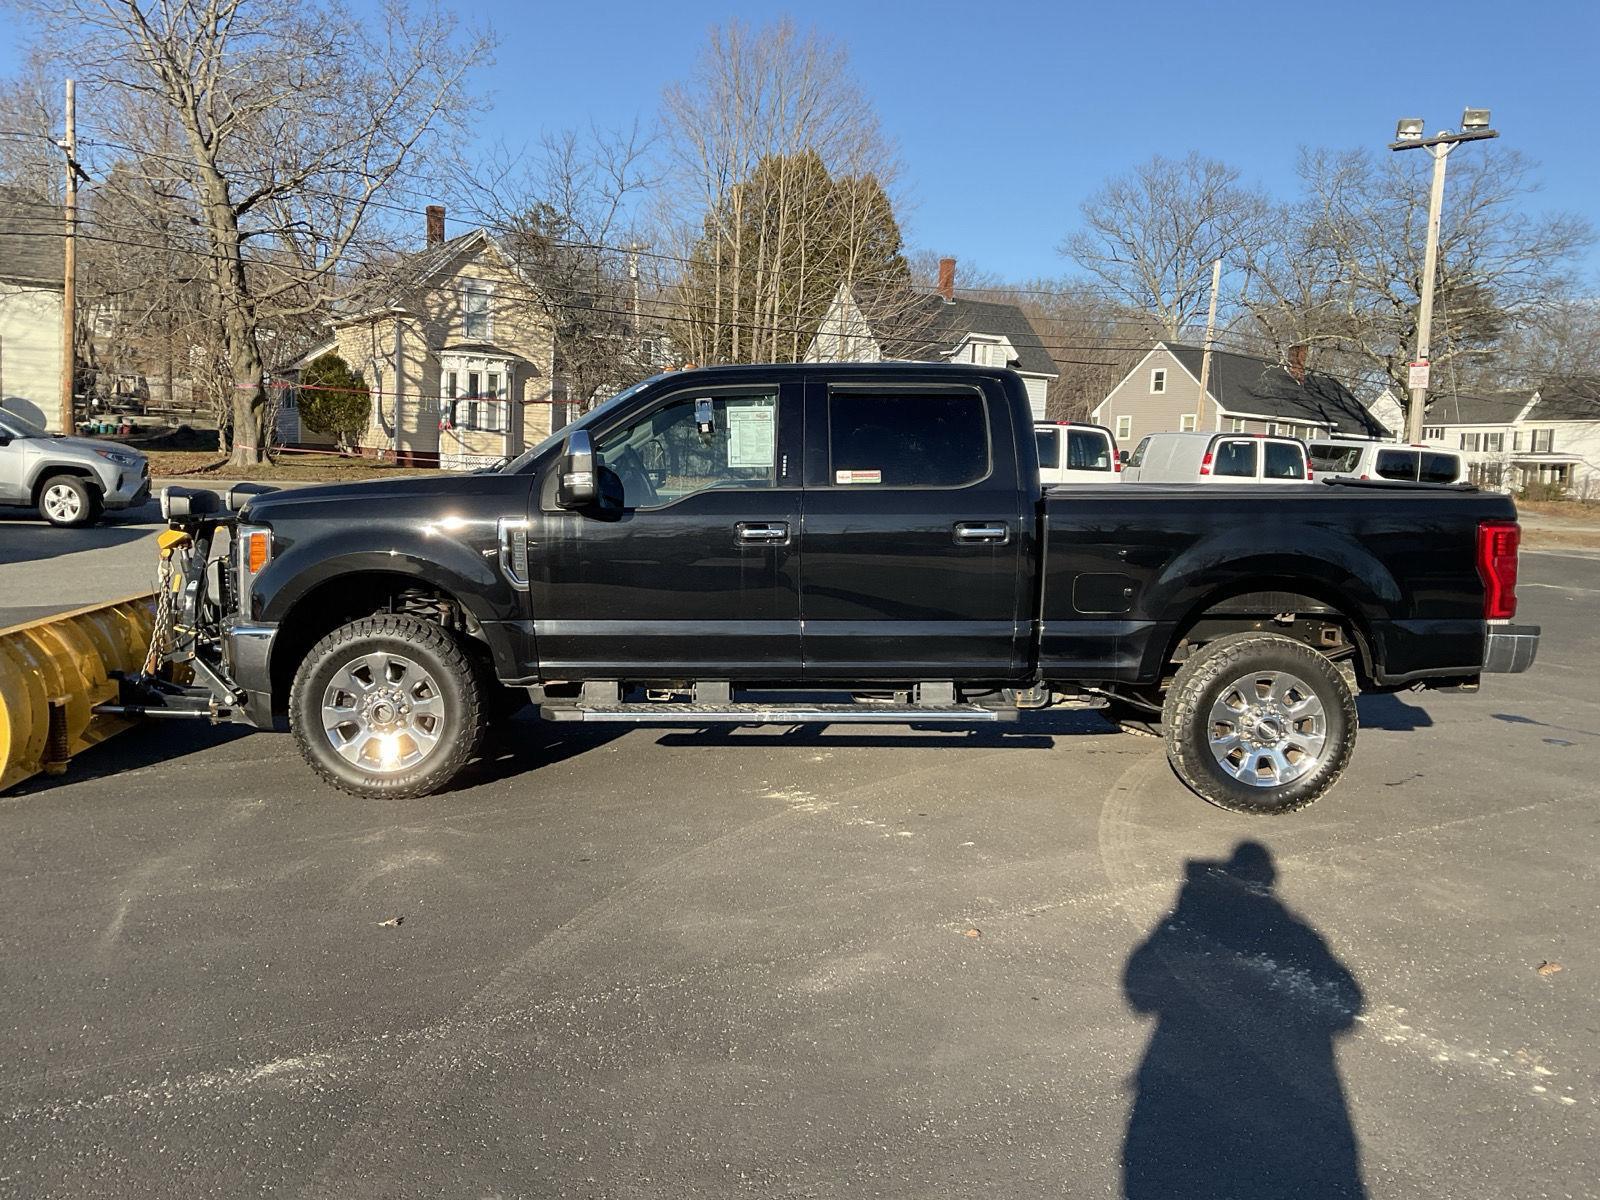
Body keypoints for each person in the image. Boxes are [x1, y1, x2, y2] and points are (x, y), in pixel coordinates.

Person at [1123, 841, 1366, 1199]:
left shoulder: (1189, 929)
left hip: (1191, 1101)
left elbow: (1139, 991)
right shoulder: (1295, 936)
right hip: (1283, 1108)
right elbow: (1345, 1004)